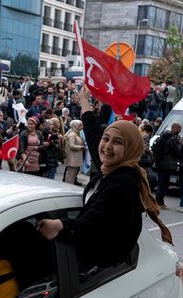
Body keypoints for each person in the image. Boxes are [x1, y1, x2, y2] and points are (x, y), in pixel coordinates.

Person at [37, 86, 173, 268]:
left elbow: (93, 223)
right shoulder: (111, 167)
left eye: (118, 142)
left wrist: (59, 225)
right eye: (106, 138)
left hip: (98, 267)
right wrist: (85, 101)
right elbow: (93, 135)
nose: (107, 146)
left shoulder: (123, 182)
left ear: (131, 148)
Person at [154, 122, 182, 209]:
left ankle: (158, 202)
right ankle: (159, 202)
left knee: (161, 183)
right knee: (164, 184)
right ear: (176, 128)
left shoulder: (164, 136)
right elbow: (177, 151)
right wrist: (180, 143)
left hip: (160, 163)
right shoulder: (172, 139)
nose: (180, 131)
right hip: (167, 164)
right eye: (179, 129)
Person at [63, 119, 85, 185]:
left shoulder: (76, 134)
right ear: (75, 126)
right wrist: (81, 147)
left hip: (76, 157)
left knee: (73, 176)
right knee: (70, 176)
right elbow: (71, 146)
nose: (81, 127)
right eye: (80, 125)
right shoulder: (72, 134)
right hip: (72, 158)